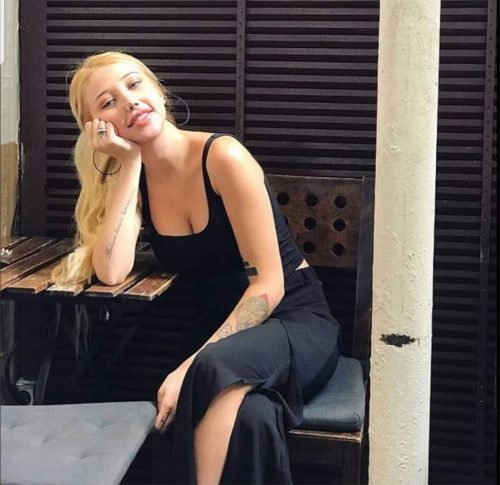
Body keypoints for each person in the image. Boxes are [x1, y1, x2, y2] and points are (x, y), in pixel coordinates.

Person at [52, 51, 341, 484]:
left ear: (157, 90)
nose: (129, 102)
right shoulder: (135, 180)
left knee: (209, 377)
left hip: (293, 320)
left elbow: (269, 284)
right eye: (107, 102)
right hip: (221, 336)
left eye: (134, 84)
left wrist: (192, 366)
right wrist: (128, 164)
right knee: (252, 419)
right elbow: (111, 271)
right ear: (97, 128)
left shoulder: (223, 157)